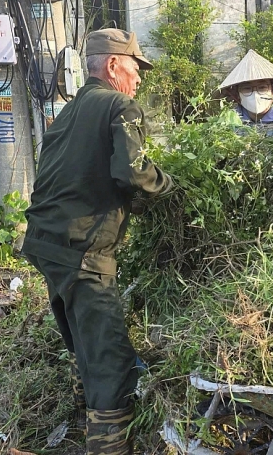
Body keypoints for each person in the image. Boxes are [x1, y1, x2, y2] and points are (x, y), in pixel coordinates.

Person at [21, 28, 172, 455]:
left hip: (46, 245)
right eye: (135, 67)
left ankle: (86, 416)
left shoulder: (67, 113)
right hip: (83, 250)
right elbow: (134, 173)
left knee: (86, 345)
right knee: (110, 360)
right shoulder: (120, 104)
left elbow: (77, 173)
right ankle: (107, 447)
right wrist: (172, 187)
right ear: (112, 65)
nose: (139, 77)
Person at [218, 49, 273, 125]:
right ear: (237, 95)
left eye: (262, 88)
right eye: (247, 88)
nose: (255, 94)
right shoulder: (231, 119)